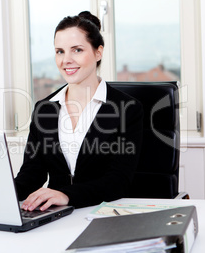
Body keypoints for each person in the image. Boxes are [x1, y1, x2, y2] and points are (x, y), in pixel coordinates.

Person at [14, 11, 143, 211]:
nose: (66, 60)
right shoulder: (44, 109)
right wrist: (0, 194)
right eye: (60, 51)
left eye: (77, 50)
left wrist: (66, 195)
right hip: (56, 215)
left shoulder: (127, 109)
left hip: (105, 214)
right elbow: (32, 174)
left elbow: (118, 181)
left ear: (98, 52)